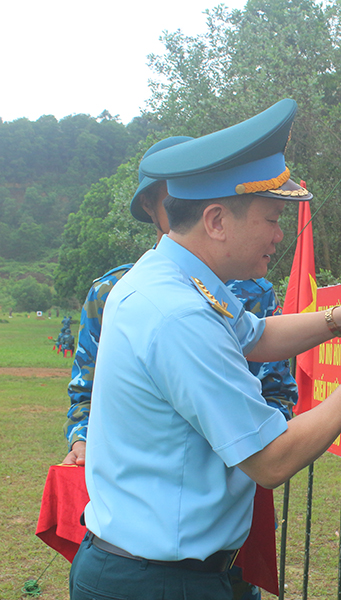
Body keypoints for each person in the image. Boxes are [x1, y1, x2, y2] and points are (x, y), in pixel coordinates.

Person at [69, 98, 341, 600]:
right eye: (272, 219)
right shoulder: (178, 315)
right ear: (216, 220)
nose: (279, 235)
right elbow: (270, 460)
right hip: (159, 582)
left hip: (166, 571)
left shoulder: (177, 278)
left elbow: (255, 337)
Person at [63, 137, 298, 467]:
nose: (187, 203)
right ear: (149, 207)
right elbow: (88, 390)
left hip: (232, 478)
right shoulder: (133, 295)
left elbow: (270, 372)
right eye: (175, 197)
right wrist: (83, 438)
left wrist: (241, 434)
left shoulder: (249, 288)